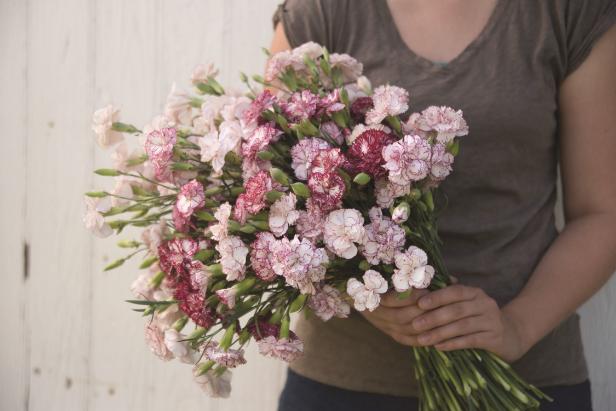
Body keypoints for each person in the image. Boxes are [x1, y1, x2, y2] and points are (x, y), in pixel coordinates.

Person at [268, 0, 616, 410]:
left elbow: (602, 213)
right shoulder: (322, 12)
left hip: (525, 382)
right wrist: (355, 290)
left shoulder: (568, 13)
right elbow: (272, 202)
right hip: (345, 385)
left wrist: (516, 327)